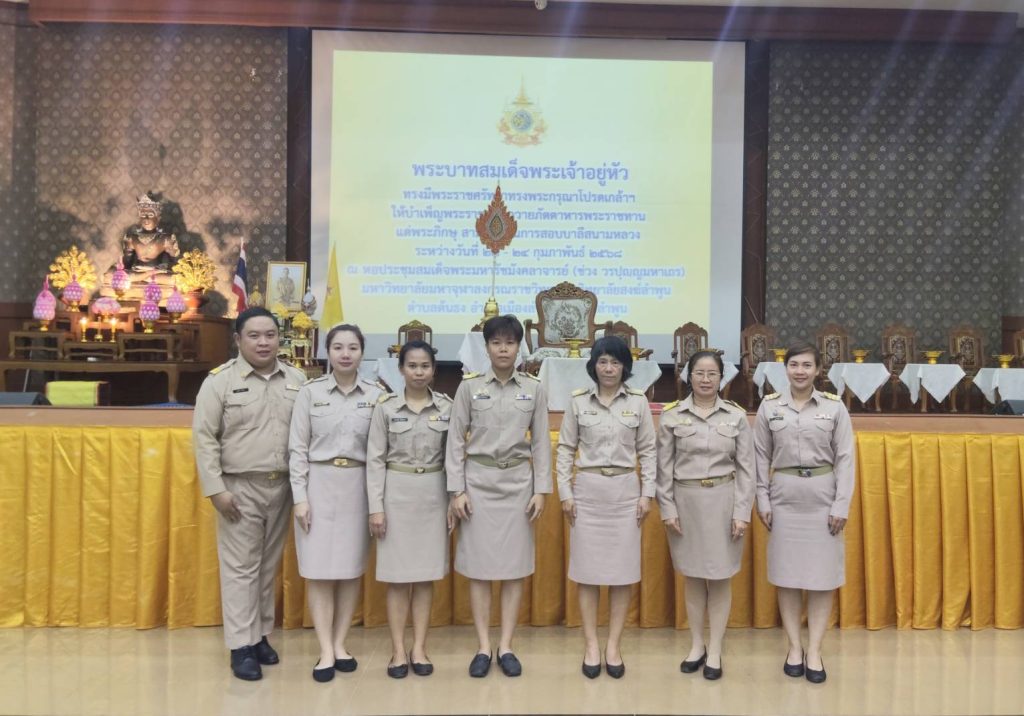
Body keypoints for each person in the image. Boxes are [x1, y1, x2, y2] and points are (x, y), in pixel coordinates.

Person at [192, 307, 307, 681]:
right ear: (238, 340)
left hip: (282, 486)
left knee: (267, 567)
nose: (263, 342)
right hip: (239, 489)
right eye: (254, 336)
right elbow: (204, 438)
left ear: (279, 339)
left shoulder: (297, 379)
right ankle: (240, 646)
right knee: (241, 569)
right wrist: (216, 490)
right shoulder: (219, 382)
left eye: (270, 335)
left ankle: (258, 636)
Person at [446, 314, 551, 678]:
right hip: (478, 484)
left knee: (513, 570)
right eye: (496, 342)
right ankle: (482, 646)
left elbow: (541, 442)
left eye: (510, 343)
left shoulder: (534, 388)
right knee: (478, 570)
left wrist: (541, 490)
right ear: (487, 347)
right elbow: (455, 441)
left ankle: (506, 645)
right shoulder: (469, 388)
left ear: (519, 347)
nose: (503, 349)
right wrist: (457, 490)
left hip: (518, 486)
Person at [753, 342, 855, 684]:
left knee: (822, 578)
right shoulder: (769, 407)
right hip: (783, 497)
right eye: (794, 364)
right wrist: (762, 499)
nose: (800, 371)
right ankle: (794, 647)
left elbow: (845, 458)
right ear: (785, 369)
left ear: (818, 370)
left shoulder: (834, 407)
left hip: (823, 498)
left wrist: (841, 503)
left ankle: (814, 650)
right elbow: (760, 457)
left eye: (807, 365)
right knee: (788, 575)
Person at [288, 324, 384, 683]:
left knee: (349, 570)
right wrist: (300, 498)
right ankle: (325, 648)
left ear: (362, 352)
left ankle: (341, 643)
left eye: (353, 347)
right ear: (327, 352)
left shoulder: (376, 396)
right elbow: (297, 448)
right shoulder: (310, 393)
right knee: (318, 571)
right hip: (318, 485)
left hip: (358, 487)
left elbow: (380, 454)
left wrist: (377, 501)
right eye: (338, 347)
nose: (345, 354)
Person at [556, 336, 655, 679]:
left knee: (622, 574)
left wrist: (647, 493)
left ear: (625, 366)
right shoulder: (578, 402)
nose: (609, 368)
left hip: (626, 494)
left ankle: (613, 645)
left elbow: (649, 451)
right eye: (602, 362)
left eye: (615, 362)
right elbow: (565, 449)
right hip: (588, 492)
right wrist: (565, 492)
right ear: (593, 365)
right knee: (587, 573)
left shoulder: (638, 402)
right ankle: (591, 645)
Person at [656, 350, 754, 681]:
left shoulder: (735, 416)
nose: (706, 379)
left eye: (712, 374)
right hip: (686, 503)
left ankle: (715, 648)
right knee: (694, 575)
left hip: (724, 502)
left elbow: (747, 469)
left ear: (722, 378)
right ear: (688, 376)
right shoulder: (671, 416)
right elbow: (663, 468)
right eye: (699, 373)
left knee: (721, 575)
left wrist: (742, 512)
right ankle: (697, 645)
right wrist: (667, 508)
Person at [366, 340, 455, 679]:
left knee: (425, 577)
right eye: (412, 366)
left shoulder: (446, 407)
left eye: (425, 366)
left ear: (434, 370)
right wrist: (376, 508)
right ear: (401, 369)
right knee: (398, 579)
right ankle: (398, 650)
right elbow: (375, 460)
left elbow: (453, 458)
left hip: (432, 495)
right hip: (396, 494)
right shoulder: (386, 407)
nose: (419, 372)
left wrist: (452, 499)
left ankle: (419, 647)